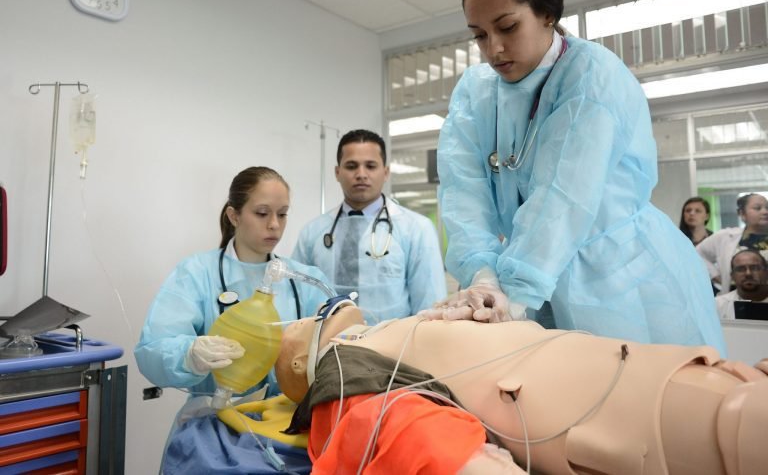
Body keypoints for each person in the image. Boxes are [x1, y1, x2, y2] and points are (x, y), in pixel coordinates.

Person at [428, 0, 725, 354]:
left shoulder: (591, 76)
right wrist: (483, 277)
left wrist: (511, 297)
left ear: (547, 13)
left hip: (617, 279)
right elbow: (463, 192)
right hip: (526, 273)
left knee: (633, 398)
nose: (492, 48)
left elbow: (562, 196)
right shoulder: (476, 92)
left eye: (508, 27)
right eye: (479, 35)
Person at [275, 304, 768, 474]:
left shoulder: (385, 335)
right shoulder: (342, 368)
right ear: (301, 359)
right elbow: (422, 443)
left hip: (642, 376)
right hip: (620, 412)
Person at [134, 166, 330, 472]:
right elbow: (152, 349)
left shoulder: (305, 281)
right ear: (234, 215)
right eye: (262, 213)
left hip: (285, 426)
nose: (275, 225)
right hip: (212, 430)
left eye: (283, 214)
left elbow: (339, 340)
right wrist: (190, 355)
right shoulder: (197, 274)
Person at [293, 129, 446, 323]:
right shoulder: (312, 232)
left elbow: (429, 305)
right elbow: (296, 296)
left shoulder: (416, 229)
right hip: (323, 346)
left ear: (386, 172)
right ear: (337, 172)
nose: (361, 174)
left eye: (371, 166)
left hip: (391, 348)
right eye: (351, 166)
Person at [697, 193, 768, 295]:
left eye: (767, 207)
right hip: (734, 302)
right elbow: (696, 254)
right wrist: (716, 276)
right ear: (742, 214)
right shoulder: (725, 236)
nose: (765, 212)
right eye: (757, 208)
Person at [716, 248, 768, 320]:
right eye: (740, 269)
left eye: (754, 268)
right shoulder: (717, 306)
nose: (748, 273)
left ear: (766, 272)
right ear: (732, 276)